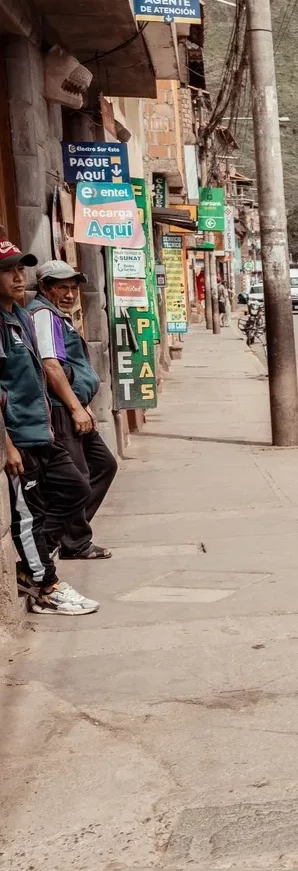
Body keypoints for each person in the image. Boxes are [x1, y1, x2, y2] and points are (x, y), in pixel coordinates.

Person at [0, 242, 96, 615]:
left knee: (76, 488)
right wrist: (6, 446)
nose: (18, 276)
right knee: (27, 516)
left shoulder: (21, 316)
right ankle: (46, 585)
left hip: (41, 432)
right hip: (18, 438)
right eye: (9, 271)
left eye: (21, 269)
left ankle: (37, 555)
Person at [29, 260, 117, 561]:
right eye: (62, 288)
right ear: (45, 288)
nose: (69, 294)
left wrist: (85, 406)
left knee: (104, 464)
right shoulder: (43, 314)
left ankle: (69, 535)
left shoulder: (59, 316)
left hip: (74, 407)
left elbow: (71, 369)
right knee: (78, 477)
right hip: (60, 410)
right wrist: (75, 408)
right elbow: (50, 366)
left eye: (73, 288)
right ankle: (72, 541)